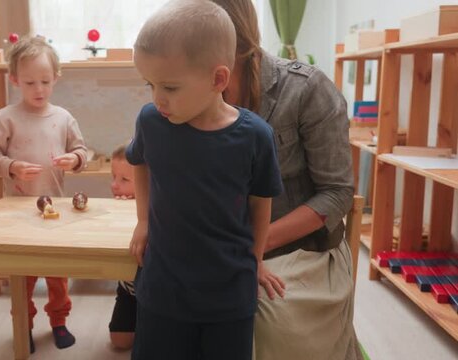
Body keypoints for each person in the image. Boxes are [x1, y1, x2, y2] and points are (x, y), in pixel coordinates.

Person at [126, 1, 284, 359]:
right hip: (163, 290)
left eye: (169, 87)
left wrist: (256, 260)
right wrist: (142, 220)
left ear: (218, 79)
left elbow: (261, 203)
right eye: (150, 84)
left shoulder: (255, 136)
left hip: (229, 296)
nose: (157, 99)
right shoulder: (151, 121)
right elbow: (139, 162)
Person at [211, 1, 362, 359]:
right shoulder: (190, 86)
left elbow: (337, 193)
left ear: (238, 42)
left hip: (302, 249)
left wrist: (252, 245)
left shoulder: (307, 90)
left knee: (267, 321)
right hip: (223, 243)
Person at [0, 35, 87, 353]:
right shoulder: (5, 117)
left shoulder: (64, 117)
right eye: (29, 83)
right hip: (17, 212)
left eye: (44, 81)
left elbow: (82, 150)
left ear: (56, 77)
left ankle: (59, 321)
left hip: (56, 210)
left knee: (58, 274)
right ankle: (22, 325)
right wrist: (11, 166)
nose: (38, 89)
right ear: (14, 80)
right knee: (22, 276)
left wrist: (75, 159)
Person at [108, 143, 137, 350]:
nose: (114, 185)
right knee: (119, 342)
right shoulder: (116, 206)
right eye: (113, 177)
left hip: (157, 292)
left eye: (124, 179)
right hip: (128, 290)